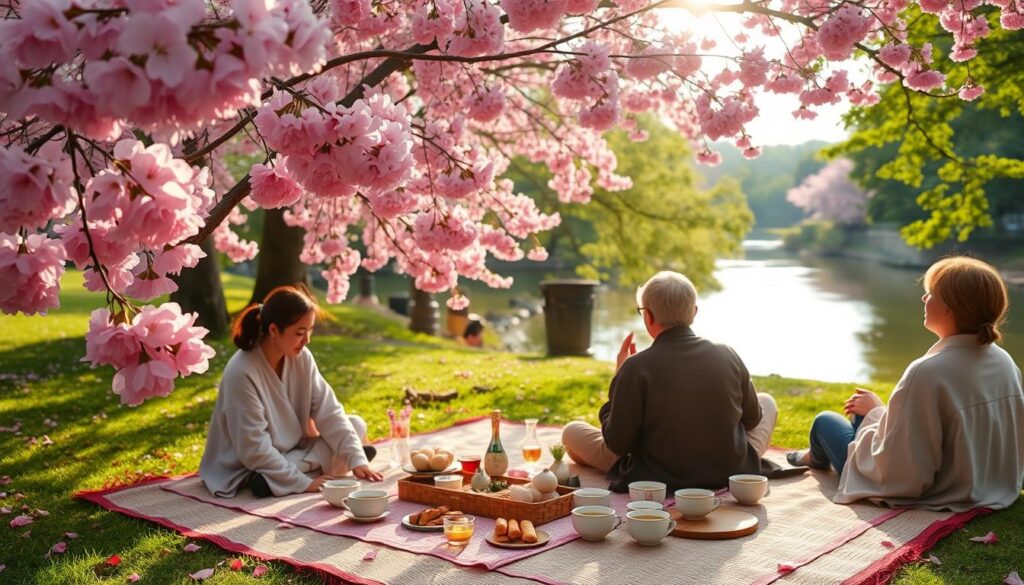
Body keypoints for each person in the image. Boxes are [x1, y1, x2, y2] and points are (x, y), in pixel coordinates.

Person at [788, 257, 1024, 511]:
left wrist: (878, 413)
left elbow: (902, 472)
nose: (924, 299)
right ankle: (820, 452)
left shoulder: (927, 371)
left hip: (943, 487)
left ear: (949, 309)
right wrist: (877, 415)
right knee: (861, 414)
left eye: (931, 294)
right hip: (985, 483)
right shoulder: (1004, 361)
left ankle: (813, 456)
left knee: (824, 421)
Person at [562, 271, 778, 492]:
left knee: (571, 432)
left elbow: (617, 443)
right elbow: (752, 420)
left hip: (654, 476)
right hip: (731, 470)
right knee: (767, 401)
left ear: (648, 317)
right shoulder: (727, 353)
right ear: (694, 313)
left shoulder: (636, 367)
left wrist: (619, 380)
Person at [200, 285, 383, 498]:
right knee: (271, 462)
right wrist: (305, 484)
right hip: (248, 462)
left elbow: (330, 412)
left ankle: (276, 479)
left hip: (294, 452)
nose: (307, 341)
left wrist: (357, 459)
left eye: (310, 330)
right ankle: (281, 475)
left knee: (355, 424)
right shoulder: (241, 371)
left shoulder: (302, 357)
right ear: (274, 330)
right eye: (300, 333)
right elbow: (253, 448)